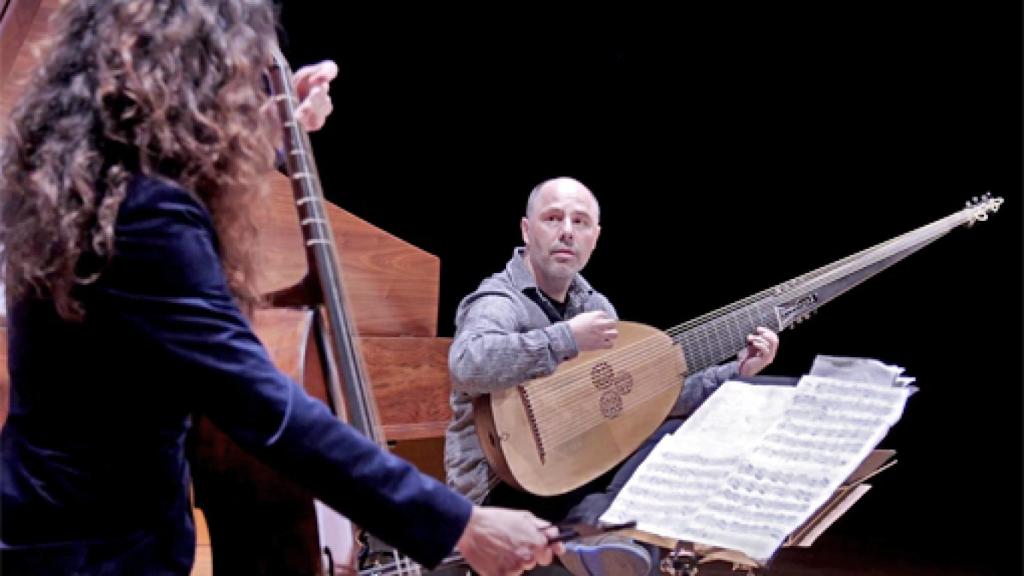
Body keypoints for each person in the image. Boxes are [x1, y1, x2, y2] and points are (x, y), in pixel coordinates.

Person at [0, 1, 563, 575]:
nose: (240, 98)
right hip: (99, 556)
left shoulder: (71, 181)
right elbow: (267, 409)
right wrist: (462, 523)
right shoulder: (148, 217)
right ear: (197, 79)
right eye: (236, 80)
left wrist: (269, 129)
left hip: (48, 534)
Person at [445, 176, 780, 576]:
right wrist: (566, 338)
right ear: (526, 229)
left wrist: (738, 371)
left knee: (670, 435)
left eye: (580, 222)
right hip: (502, 494)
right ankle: (597, 535)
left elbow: (641, 400)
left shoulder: (594, 305)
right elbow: (468, 363)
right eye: (553, 218)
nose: (567, 231)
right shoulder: (499, 300)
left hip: (575, 480)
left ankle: (598, 531)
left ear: (595, 237)